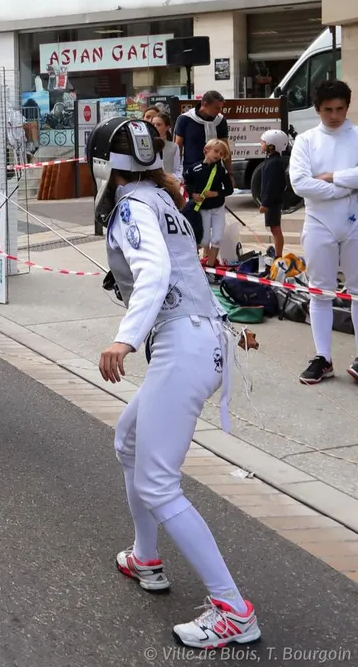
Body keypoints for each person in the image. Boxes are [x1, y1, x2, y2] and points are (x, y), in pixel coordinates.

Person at [90, 116, 260, 650]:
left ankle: (233, 610)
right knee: (128, 440)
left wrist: (123, 337)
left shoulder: (133, 207)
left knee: (157, 482)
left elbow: (157, 271)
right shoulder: (161, 200)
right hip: (199, 342)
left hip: (183, 346)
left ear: (106, 166)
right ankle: (146, 557)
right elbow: (165, 268)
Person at [287, 79, 358, 385]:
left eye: (340, 108)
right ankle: (323, 357)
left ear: (347, 107)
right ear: (317, 110)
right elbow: (300, 184)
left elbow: (313, 184)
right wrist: (347, 186)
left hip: (355, 223)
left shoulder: (357, 136)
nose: (334, 115)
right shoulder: (306, 141)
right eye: (328, 109)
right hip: (319, 223)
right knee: (320, 291)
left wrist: (332, 177)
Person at [183, 139, 233, 268]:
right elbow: (187, 184)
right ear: (206, 150)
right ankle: (193, 262)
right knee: (204, 239)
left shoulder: (221, 170)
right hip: (203, 208)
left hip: (217, 207)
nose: (218, 155)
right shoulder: (194, 169)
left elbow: (229, 189)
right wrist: (193, 194)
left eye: (221, 154)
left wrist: (216, 193)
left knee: (217, 238)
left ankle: (211, 266)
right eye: (216, 151)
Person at [174, 91, 230, 176]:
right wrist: (176, 173)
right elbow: (178, 147)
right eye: (216, 108)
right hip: (191, 170)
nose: (219, 111)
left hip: (214, 171)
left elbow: (225, 148)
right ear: (205, 104)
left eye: (220, 108)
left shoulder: (220, 121)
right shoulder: (185, 119)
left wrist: (230, 173)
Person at [257, 129, 289, 259]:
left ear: (271, 145)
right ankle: (277, 254)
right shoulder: (271, 161)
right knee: (274, 228)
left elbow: (271, 185)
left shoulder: (274, 163)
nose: (261, 144)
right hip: (273, 202)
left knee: (275, 229)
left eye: (263, 142)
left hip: (273, 202)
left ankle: (278, 255)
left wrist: (265, 203)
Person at [151, 112, 182, 184]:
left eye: (158, 125)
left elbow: (177, 169)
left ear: (167, 128)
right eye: (153, 124)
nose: (155, 127)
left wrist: (175, 179)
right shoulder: (146, 145)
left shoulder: (173, 147)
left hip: (167, 184)